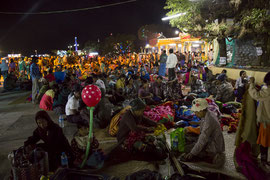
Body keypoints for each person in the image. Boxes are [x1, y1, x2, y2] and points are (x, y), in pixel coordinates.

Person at [181, 98, 225, 166]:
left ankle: (212, 157)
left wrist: (192, 154)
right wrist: (195, 123)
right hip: (210, 139)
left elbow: (202, 140)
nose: (195, 114)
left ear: (201, 111)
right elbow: (203, 123)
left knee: (187, 148)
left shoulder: (209, 121)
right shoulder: (208, 113)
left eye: (196, 112)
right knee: (188, 135)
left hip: (214, 146)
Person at [248, 72, 270, 167]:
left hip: (267, 121)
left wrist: (251, 84)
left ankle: (263, 162)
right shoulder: (266, 90)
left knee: (264, 143)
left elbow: (255, 95)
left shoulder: (267, 91)